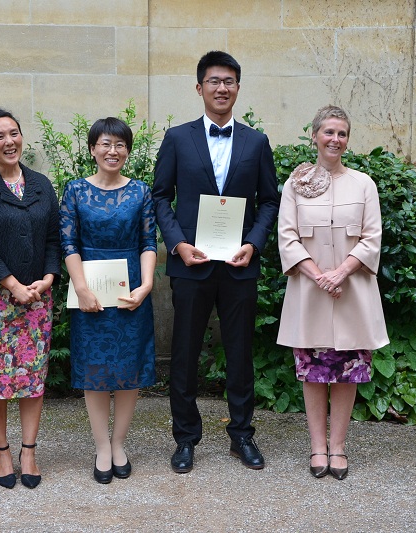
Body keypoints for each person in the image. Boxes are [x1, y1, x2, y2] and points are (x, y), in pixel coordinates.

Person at [152, 51, 279, 473]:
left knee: (240, 353)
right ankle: (185, 438)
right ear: (199, 87)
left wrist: (254, 244)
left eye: (229, 81)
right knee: (184, 354)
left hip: (240, 264)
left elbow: (269, 201)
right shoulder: (177, 138)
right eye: (213, 81)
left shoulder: (256, 142)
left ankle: (241, 436)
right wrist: (178, 244)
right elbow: (160, 197)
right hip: (192, 264)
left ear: (237, 88)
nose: (221, 88)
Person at [276, 105, 389, 480]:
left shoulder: (364, 184)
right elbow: (287, 237)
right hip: (309, 294)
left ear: (348, 140)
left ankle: (338, 447)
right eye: (328, 132)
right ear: (314, 136)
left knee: (347, 371)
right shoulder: (295, 185)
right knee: (313, 371)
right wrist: (319, 276)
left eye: (342, 133)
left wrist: (340, 272)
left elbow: (372, 238)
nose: (335, 139)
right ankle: (317, 447)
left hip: (352, 292)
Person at [0, 108, 61, 489]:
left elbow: (53, 238)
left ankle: (29, 451)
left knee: (32, 377)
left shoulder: (42, 185)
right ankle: (2, 451)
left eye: (14, 133)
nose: (9, 142)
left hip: (37, 297)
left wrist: (48, 278)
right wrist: (13, 285)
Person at [60, 117, 157, 484]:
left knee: (130, 368)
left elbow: (149, 241)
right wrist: (81, 287)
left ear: (127, 151)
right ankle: (102, 446)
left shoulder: (140, 191)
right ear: (92, 149)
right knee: (95, 368)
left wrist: (146, 285)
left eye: (120, 145)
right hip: (89, 288)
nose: (112, 151)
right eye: (105, 143)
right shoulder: (75, 190)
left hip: (130, 287)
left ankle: (119, 444)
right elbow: (69, 242)